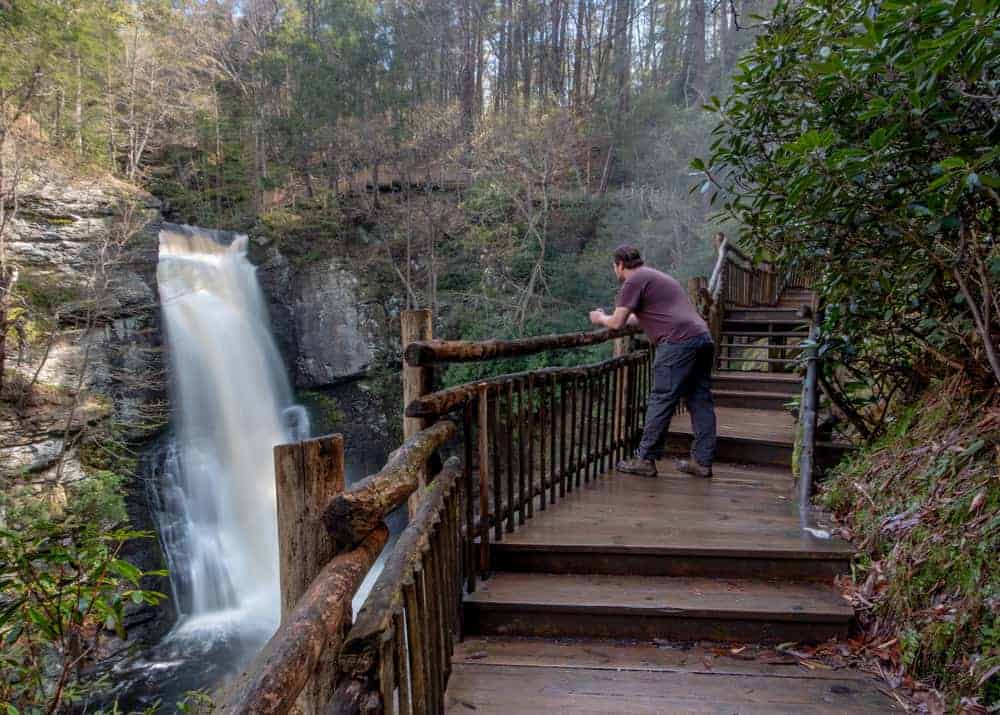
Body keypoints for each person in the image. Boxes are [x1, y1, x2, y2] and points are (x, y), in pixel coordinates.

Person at [589, 245, 717, 478]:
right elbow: (640, 318)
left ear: (619, 265)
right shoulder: (656, 276)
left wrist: (600, 318)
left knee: (661, 398)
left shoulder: (632, 281)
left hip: (678, 342)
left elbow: (617, 322)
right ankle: (702, 461)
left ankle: (645, 458)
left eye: (614, 267)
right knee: (700, 400)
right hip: (702, 337)